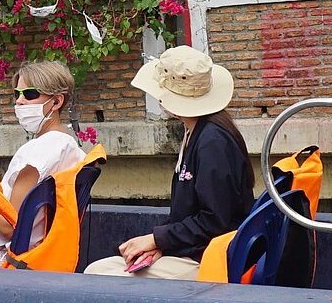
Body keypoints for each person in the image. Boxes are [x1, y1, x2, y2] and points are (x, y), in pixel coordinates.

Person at [85, 47, 253, 279]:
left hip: (210, 259)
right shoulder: (199, 132)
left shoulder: (211, 142)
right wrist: (160, 244)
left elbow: (215, 220)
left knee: (98, 274)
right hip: (198, 251)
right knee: (99, 269)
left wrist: (156, 239)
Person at [0, 59, 87, 267]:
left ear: (56, 102)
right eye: (17, 94)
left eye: (30, 94)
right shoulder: (73, 150)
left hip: (7, 259)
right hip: (47, 253)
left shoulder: (35, 153)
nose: (19, 101)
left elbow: (9, 227)